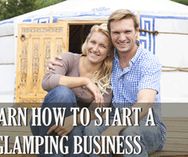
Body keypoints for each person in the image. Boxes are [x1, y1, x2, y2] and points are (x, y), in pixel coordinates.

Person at [48, 9, 166, 157]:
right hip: (113, 117)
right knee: (91, 129)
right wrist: (56, 62)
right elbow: (86, 57)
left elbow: (145, 102)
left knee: (129, 133)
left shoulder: (149, 61)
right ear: (110, 35)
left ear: (137, 32)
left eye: (127, 32)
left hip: (147, 123)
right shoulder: (109, 58)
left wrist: (113, 129)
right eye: (116, 33)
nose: (122, 38)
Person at [30, 24, 114, 157]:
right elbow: (47, 82)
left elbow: (96, 112)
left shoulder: (107, 77)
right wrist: (85, 81)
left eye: (102, 46)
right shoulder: (68, 58)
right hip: (47, 121)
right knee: (63, 93)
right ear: (87, 42)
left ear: (109, 51)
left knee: (77, 142)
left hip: (75, 124)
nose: (95, 48)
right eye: (92, 42)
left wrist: (72, 120)